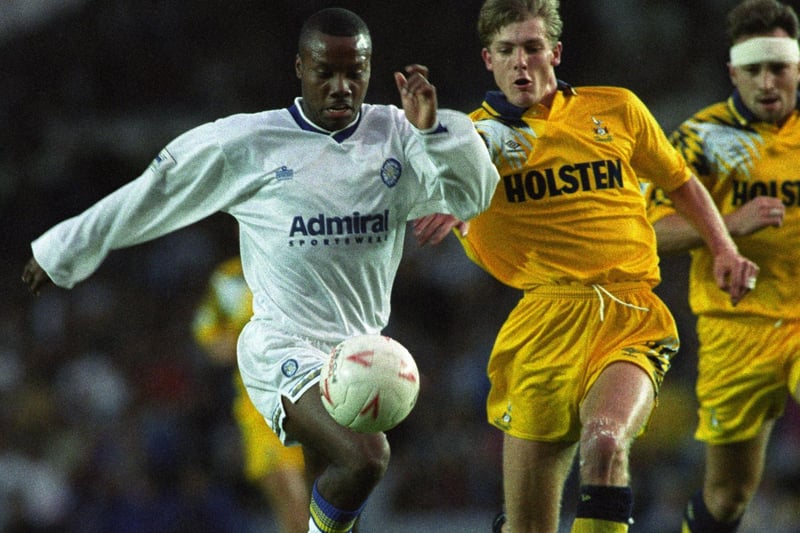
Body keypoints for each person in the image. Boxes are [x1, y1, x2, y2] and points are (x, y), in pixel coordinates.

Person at [21, 7, 500, 532]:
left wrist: (432, 133)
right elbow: (155, 192)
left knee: (338, 497)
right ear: (299, 67)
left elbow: (474, 193)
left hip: (362, 350)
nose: (342, 87)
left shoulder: (399, 136)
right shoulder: (249, 143)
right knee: (365, 458)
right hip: (281, 346)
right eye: (326, 72)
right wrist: (61, 250)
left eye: (355, 73)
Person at [412, 1, 759, 532]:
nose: (521, 62)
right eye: (507, 51)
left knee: (606, 441)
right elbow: (452, 169)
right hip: (543, 326)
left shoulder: (616, 109)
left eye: (532, 47)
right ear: (488, 59)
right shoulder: (476, 137)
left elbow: (681, 184)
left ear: (555, 51)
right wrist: (445, 182)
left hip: (629, 313)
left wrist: (725, 249)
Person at [645, 1, 800, 531]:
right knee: (728, 495)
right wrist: (728, 225)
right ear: (733, 72)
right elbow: (648, 231)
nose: (766, 81)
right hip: (736, 327)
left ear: (797, 68)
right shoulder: (701, 139)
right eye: (753, 69)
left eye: (778, 66)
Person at [192, 255, 308, 533]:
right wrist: (250, 339)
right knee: (284, 496)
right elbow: (211, 341)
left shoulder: (300, 260)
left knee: (307, 499)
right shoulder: (228, 278)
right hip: (259, 407)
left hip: (308, 393)